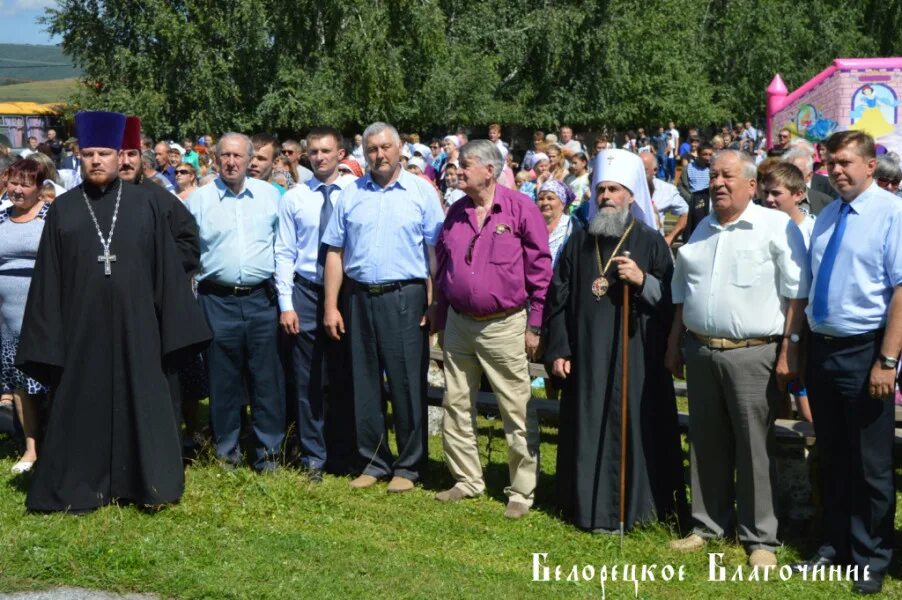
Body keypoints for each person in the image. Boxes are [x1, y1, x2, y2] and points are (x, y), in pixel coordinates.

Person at [15, 111, 210, 513]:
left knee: (142, 400)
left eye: (104, 152)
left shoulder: (147, 204)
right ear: (80, 156)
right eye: (88, 154)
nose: (97, 160)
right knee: (80, 402)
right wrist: (49, 338)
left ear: (120, 155)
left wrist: (168, 325)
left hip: (139, 327)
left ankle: (144, 485)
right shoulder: (65, 210)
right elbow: (48, 280)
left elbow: (165, 271)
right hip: (81, 330)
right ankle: (80, 485)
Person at [665, 150, 809, 567]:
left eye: (728, 176)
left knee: (753, 447)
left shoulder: (775, 226)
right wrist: (675, 342)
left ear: (751, 184)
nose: (718, 183)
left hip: (753, 353)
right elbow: (682, 291)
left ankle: (761, 537)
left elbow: (796, 291)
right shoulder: (702, 228)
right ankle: (707, 525)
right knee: (706, 442)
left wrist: (789, 348)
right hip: (702, 350)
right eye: (713, 176)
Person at [544, 148, 684, 533]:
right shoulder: (578, 243)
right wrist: (559, 349)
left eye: (614, 190)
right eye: (600, 189)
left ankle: (638, 511)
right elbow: (556, 299)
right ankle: (585, 508)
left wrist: (643, 281)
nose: (606, 196)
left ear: (632, 196)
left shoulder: (652, 242)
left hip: (636, 357)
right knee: (587, 425)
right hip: (586, 357)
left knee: (636, 428)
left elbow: (673, 300)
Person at [794, 131, 902, 595]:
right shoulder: (828, 215)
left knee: (871, 462)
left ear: (869, 166)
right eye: (830, 163)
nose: (835, 170)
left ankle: (872, 555)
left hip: (866, 350)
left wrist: (888, 359)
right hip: (823, 349)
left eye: (844, 163)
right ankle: (834, 545)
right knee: (833, 454)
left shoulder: (892, 214)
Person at [321, 122, 444, 493]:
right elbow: (335, 252)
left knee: (406, 382)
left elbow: (435, 254)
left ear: (400, 148)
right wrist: (331, 305)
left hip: (405, 297)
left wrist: (434, 302)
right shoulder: (350, 194)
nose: (379, 155)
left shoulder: (421, 193)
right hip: (357, 297)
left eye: (386, 147)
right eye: (372, 149)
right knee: (365, 381)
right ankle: (372, 461)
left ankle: (408, 466)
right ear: (364, 153)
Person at [431, 139, 551, 518]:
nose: (458, 170)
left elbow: (540, 271)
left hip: (505, 324)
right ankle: (467, 480)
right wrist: (440, 316)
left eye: (465, 165)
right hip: (459, 324)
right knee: (456, 402)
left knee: (514, 407)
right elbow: (444, 266)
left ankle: (521, 490)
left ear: (490, 169)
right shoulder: (455, 212)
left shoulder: (521, 209)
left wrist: (535, 324)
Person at [186, 132, 285, 472]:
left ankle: (269, 455)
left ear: (250, 159)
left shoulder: (270, 197)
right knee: (223, 381)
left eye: (238, 157)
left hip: (262, 299)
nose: (231, 162)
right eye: (225, 156)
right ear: (215, 159)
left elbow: (283, 249)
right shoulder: (198, 201)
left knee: (265, 380)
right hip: (217, 300)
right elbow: (187, 253)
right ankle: (227, 454)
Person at [275, 127, 357, 480]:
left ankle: (345, 452)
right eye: (314, 152)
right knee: (309, 378)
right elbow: (284, 251)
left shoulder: (357, 193)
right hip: (306, 290)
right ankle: (313, 456)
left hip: (349, 291)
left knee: (346, 375)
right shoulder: (295, 197)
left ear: (340, 154)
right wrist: (285, 303)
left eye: (327, 151)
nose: (320, 157)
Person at [1, 159, 50, 475]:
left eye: (25, 184)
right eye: (13, 183)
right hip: (6, 320)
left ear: (39, 188)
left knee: (46, 383)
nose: (17, 190)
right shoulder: (0, 218)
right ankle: (30, 449)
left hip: (42, 318)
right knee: (19, 384)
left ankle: (57, 443)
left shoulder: (51, 217)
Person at [640, 152, 687, 245]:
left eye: (643, 170)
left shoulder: (667, 190)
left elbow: (686, 213)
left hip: (655, 244)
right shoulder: (626, 187)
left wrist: (670, 237)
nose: (639, 173)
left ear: (655, 170)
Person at [536, 179, 578, 267]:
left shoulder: (572, 226)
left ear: (563, 203)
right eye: (541, 199)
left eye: (550, 198)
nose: (545, 203)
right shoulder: (531, 226)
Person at [677, 142, 714, 240]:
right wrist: (691, 200)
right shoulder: (688, 168)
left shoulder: (712, 169)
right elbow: (681, 187)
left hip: (707, 201)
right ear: (698, 153)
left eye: (710, 154)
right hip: (692, 199)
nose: (707, 157)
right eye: (705, 154)